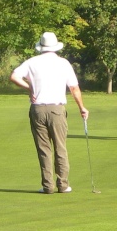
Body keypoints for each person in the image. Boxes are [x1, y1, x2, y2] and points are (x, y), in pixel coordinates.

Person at [10, 32, 89, 193]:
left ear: (41, 47)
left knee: (43, 148)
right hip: (57, 109)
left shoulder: (31, 62)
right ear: (55, 47)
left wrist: (29, 87)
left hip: (37, 109)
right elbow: (74, 88)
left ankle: (48, 186)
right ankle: (63, 184)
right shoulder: (63, 63)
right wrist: (82, 107)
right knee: (60, 147)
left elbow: (14, 76)